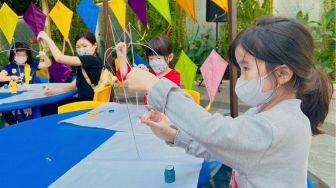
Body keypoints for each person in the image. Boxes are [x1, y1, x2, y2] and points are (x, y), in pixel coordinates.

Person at [125, 17, 333, 187]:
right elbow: (222, 147)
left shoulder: (276, 126)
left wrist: (155, 87)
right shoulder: (267, 111)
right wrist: (172, 134)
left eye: (246, 68)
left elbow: (212, 131)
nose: (241, 78)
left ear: (282, 74)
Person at [37, 31, 104, 114]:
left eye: (84, 46)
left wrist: (48, 39)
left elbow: (59, 58)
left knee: (47, 107)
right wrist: (53, 92)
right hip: (87, 103)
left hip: (86, 106)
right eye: (78, 47)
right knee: (51, 105)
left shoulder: (90, 59)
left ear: (95, 46)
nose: (81, 49)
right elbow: (72, 85)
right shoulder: (90, 62)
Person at [116, 35, 180, 104]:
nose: (155, 62)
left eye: (158, 58)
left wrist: (147, 78)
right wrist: (121, 56)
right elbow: (125, 75)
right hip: (147, 111)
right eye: (151, 59)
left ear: (170, 57)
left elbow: (168, 99)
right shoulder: (150, 72)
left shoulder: (175, 76)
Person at [0, 42, 51, 125]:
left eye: (24, 55)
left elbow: (47, 64)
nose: (21, 58)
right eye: (18, 56)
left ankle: (37, 124)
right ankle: (13, 123)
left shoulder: (32, 64)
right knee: (4, 106)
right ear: (14, 55)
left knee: (36, 111)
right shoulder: (10, 67)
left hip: (34, 96)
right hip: (17, 96)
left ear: (28, 55)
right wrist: (11, 77)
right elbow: (0, 77)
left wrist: (44, 56)